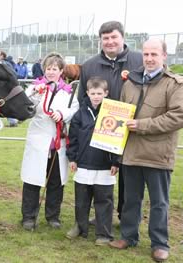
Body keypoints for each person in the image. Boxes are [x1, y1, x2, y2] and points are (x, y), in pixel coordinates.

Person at [109, 39, 183, 262]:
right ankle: (128, 236)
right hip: (131, 153)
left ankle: (160, 243)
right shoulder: (130, 82)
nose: (149, 58)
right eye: (146, 54)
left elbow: (177, 116)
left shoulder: (175, 84)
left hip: (158, 155)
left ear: (164, 56)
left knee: (159, 202)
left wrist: (142, 126)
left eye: (154, 54)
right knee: (131, 199)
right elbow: (120, 113)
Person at [78, 21, 143, 221]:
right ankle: (100, 216)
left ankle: (127, 218)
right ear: (100, 41)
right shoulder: (89, 65)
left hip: (132, 130)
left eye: (114, 37)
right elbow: (82, 98)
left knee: (130, 177)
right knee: (102, 174)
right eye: (105, 38)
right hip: (102, 131)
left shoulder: (139, 61)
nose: (110, 41)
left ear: (123, 37)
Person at [20, 52, 79, 231]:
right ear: (44, 69)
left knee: (56, 182)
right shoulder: (34, 87)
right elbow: (25, 106)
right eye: (48, 68)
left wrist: (62, 115)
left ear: (61, 71)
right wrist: (36, 95)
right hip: (38, 140)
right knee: (32, 180)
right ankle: (29, 216)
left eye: (55, 69)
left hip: (57, 143)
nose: (51, 72)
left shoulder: (68, 92)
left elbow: (74, 109)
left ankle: (53, 216)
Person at [66, 77, 118, 245]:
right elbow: (72, 139)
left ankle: (103, 233)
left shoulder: (113, 114)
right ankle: (80, 227)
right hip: (83, 164)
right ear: (87, 93)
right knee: (82, 199)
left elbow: (119, 140)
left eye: (99, 93)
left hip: (104, 165)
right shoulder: (79, 114)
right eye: (93, 93)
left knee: (104, 201)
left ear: (106, 93)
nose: (96, 96)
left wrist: (115, 162)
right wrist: (72, 158)